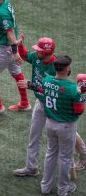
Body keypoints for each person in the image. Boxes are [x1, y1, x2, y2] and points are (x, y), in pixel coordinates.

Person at [13, 32, 86, 177]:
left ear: (47, 53)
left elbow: (56, 92)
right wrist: (20, 46)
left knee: (69, 133)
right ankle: (31, 167)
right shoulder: (36, 57)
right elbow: (26, 55)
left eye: (40, 50)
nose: (36, 52)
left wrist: (32, 85)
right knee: (34, 135)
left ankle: (83, 155)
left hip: (54, 104)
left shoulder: (55, 68)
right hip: (40, 102)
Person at [40, 55, 84, 196]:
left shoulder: (46, 81)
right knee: (65, 158)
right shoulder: (72, 88)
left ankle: (45, 187)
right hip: (66, 127)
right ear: (66, 68)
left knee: (50, 154)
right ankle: (63, 189)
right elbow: (79, 110)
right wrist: (83, 94)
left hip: (50, 124)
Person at [0, 0, 31, 116]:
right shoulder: (4, 4)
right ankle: (25, 103)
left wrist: (15, 53)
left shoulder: (2, 12)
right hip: (9, 47)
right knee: (16, 73)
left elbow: (9, 33)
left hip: (5, 49)